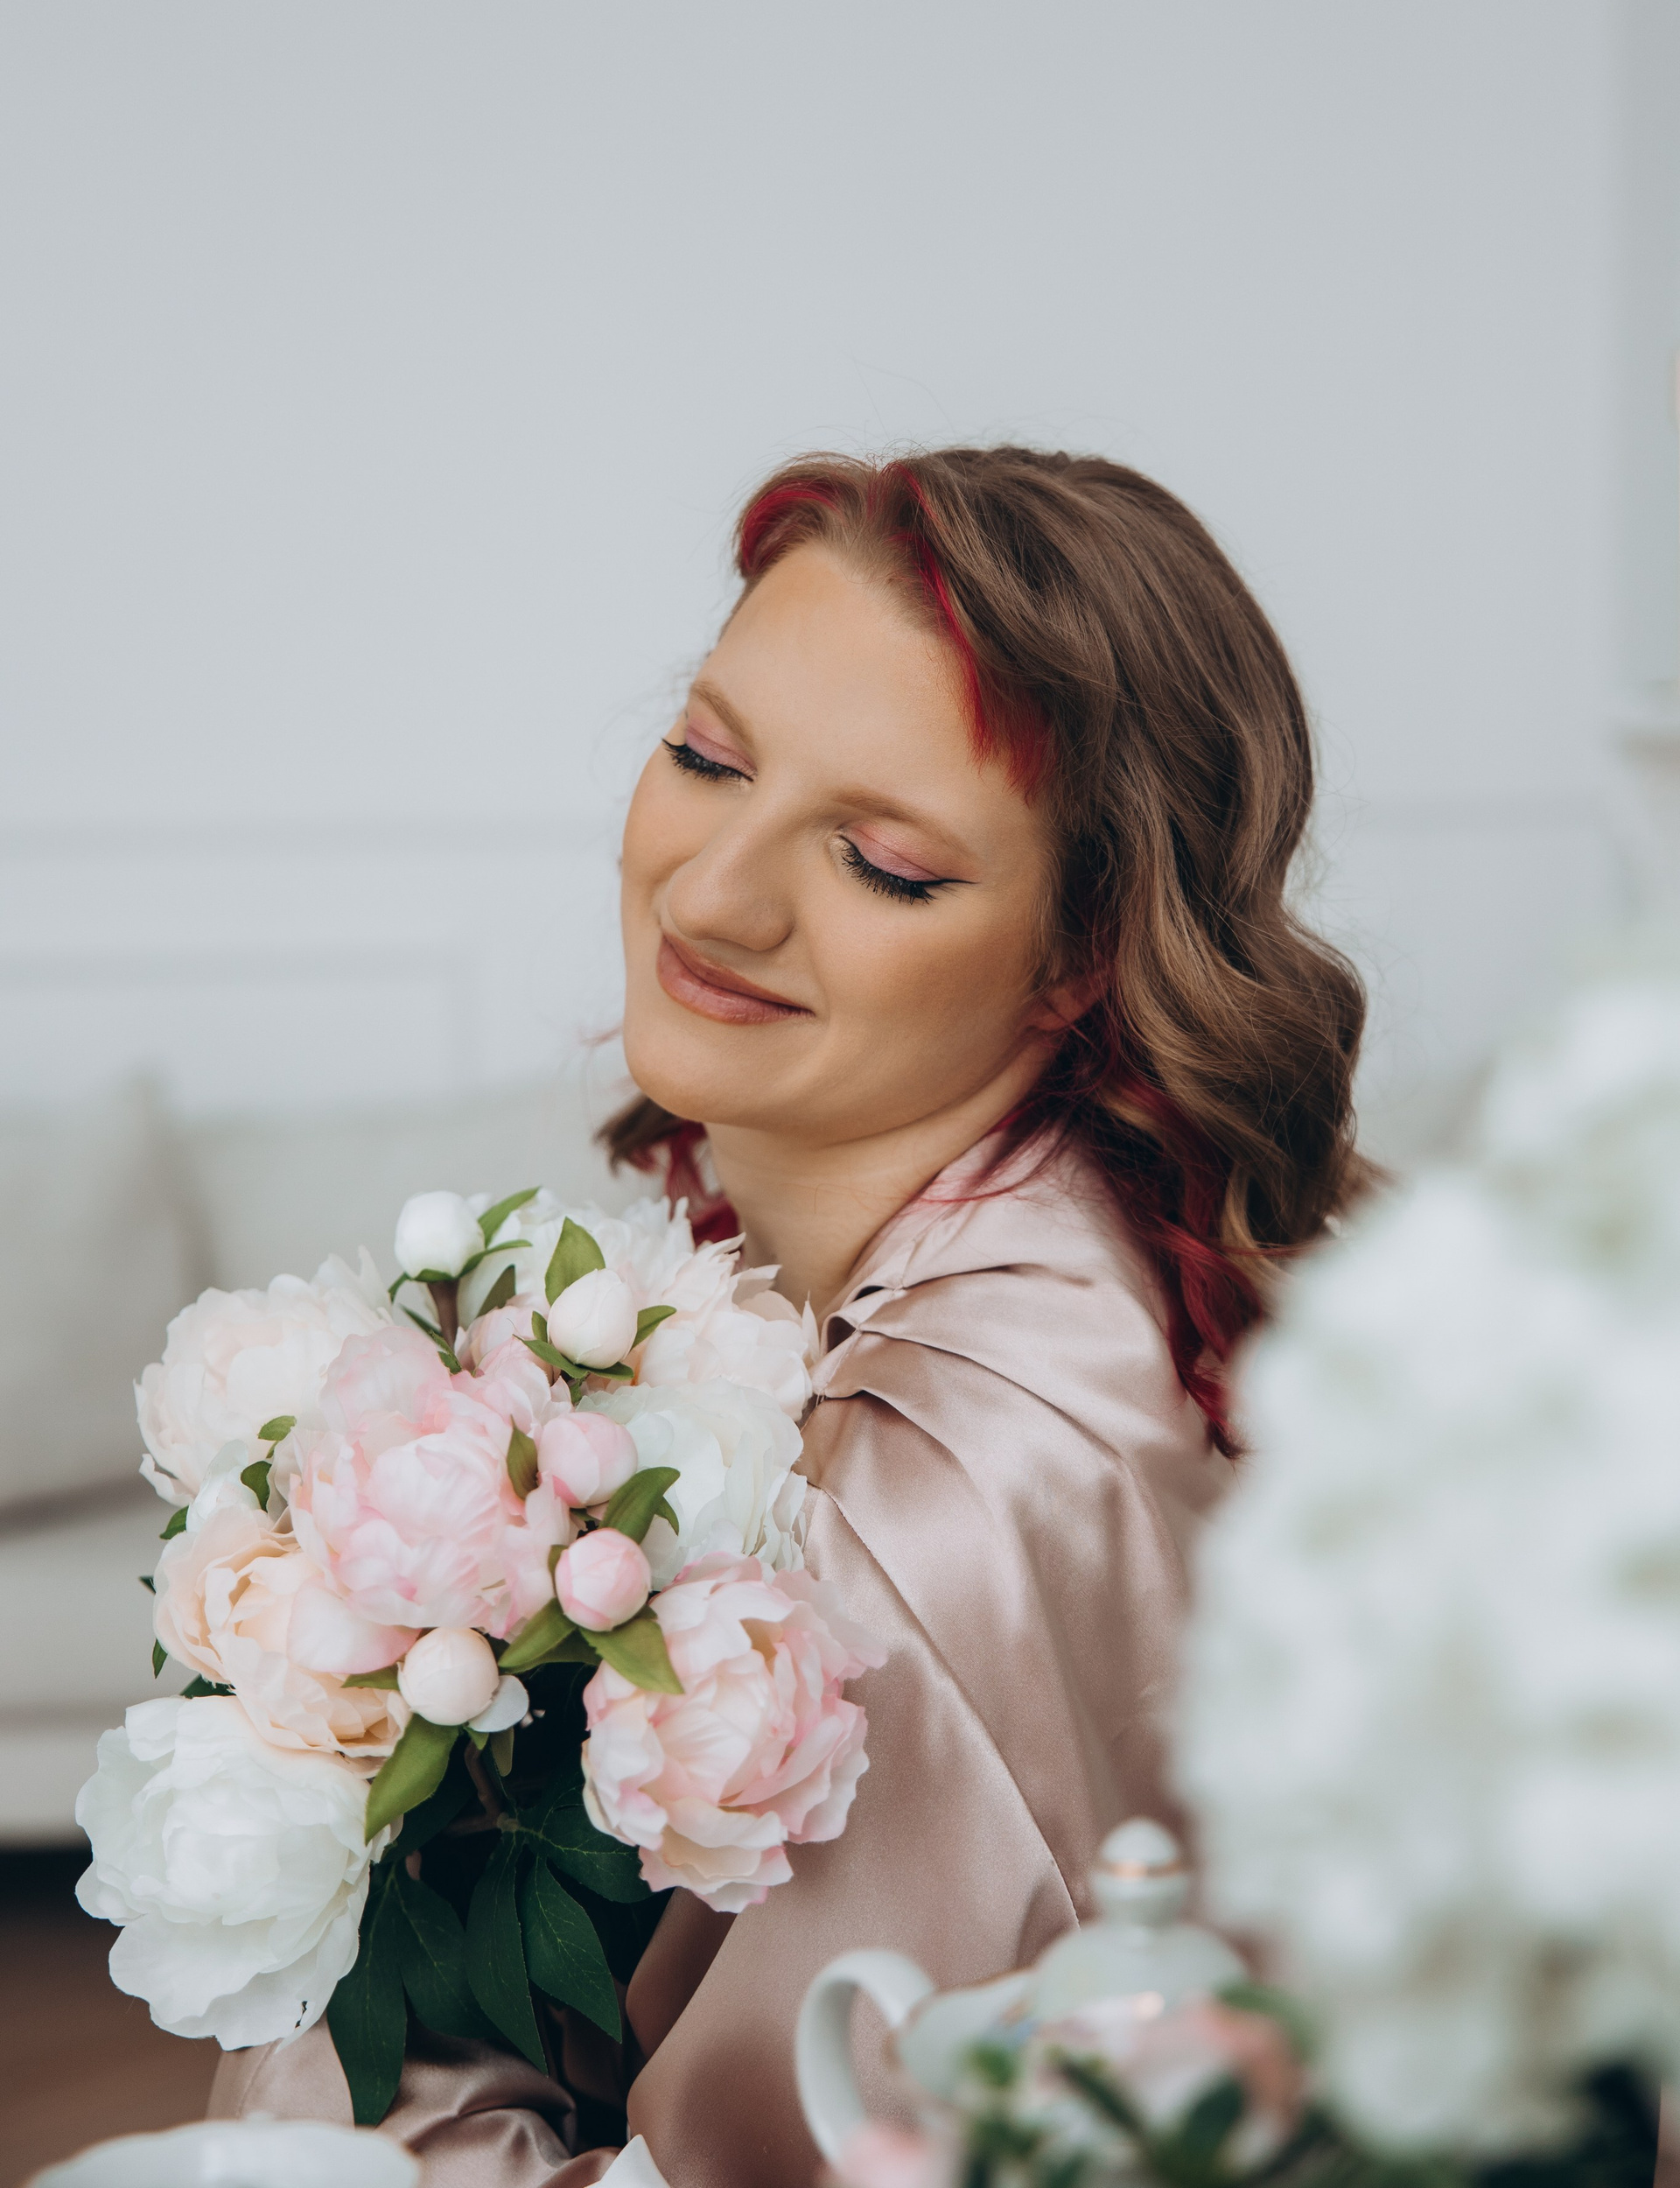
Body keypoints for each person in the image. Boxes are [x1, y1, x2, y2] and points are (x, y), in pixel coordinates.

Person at [212, 446, 1368, 2185]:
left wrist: (357, 1969)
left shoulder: (939, 1489)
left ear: (1084, 957)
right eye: (706, 757)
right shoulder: (962, 1270)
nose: (711, 895)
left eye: (884, 863)